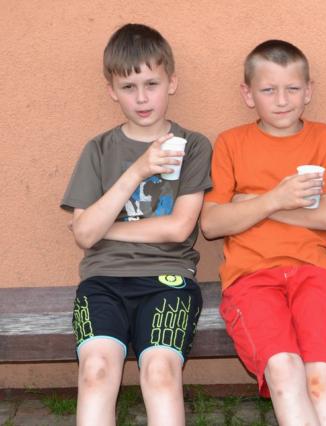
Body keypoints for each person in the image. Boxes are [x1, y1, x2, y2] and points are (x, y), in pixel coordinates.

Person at [61, 23, 212, 426]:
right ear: (112, 90)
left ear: (171, 83)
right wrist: (139, 170)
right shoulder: (99, 150)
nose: (142, 98)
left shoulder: (194, 145)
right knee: (96, 371)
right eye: (128, 87)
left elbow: (178, 229)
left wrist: (101, 227)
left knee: (160, 373)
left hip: (168, 279)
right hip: (103, 280)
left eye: (151, 84)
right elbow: (83, 236)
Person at [200, 39, 326, 426]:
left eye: (292, 88)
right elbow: (212, 223)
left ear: (308, 91)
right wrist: (278, 199)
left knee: (320, 378)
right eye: (268, 90)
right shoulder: (231, 143)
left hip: (314, 272)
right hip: (251, 277)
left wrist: (254, 204)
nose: (282, 100)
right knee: (284, 370)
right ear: (248, 94)